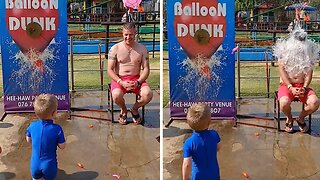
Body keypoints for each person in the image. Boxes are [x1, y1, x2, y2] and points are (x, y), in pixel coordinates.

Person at [273, 27, 320, 133]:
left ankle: (301, 118)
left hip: (302, 86)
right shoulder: (285, 52)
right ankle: (289, 118)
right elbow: (282, 72)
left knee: (315, 102)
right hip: (286, 86)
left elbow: (309, 73)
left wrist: (304, 87)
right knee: (284, 103)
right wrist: (290, 87)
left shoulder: (308, 53)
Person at [107, 22, 153, 125]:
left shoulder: (142, 49)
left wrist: (138, 81)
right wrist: (121, 82)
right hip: (120, 79)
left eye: (131, 34)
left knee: (148, 94)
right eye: (126, 35)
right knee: (116, 95)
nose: (128, 37)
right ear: (122, 34)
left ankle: (134, 109)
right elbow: (109, 69)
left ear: (135, 33)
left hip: (136, 79)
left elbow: (146, 69)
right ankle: (123, 110)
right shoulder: (115, 48)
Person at [26, 94, 66, 180]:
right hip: (49, 165)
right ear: (53, 113)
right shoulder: (57, 129)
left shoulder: (32, 125)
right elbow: (62, 146)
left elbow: (28, 140)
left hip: (35, 163)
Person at [182, 103, 222, 180]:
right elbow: (219, 147)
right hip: (214, 174)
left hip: (198, 177)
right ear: (209, 121)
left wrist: (185, 178)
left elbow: (186, 164)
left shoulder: (189, 143)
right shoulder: (214, 134)